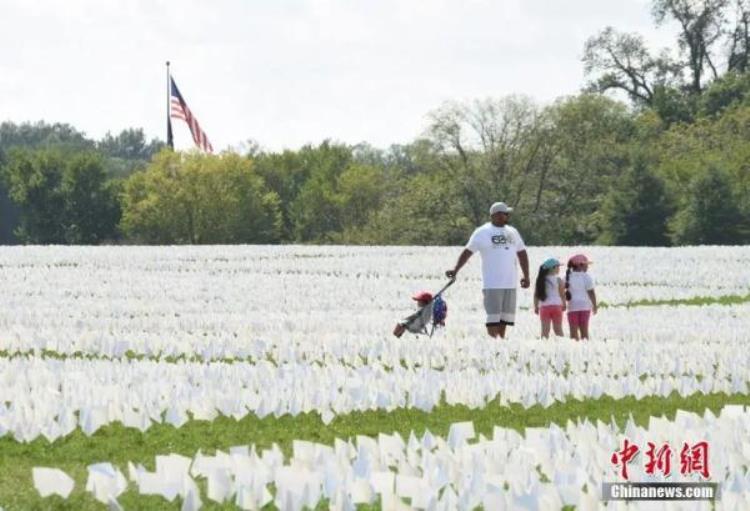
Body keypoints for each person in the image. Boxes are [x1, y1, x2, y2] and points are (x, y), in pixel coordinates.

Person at [446, 201, 530, 339]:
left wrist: (526, 276)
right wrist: (455, 270)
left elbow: (522, 253)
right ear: (496, 215)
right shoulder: (482, 232)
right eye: (505, 213)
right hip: (492, 283)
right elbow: (468, 251)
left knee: (505, 318)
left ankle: (501, 342)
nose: (507, 216)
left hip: (510, 282)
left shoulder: (512, 232)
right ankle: (492, 342)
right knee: (493, 317)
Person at [565, 253, 597, 340]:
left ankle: (575, 349)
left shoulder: (567, 277)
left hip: (572, 307)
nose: (588, 267)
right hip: (585, 307)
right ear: (580, 266)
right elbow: (591, 293)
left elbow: (562, 291)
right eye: (586, 265)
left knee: (573, 332)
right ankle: (585, 347)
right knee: (584, 331)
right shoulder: (586, 277)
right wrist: (594, 305)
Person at [533, 258, 566, 339]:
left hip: (544, 307)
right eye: (558, 267)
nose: (559, 269)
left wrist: (536, 307)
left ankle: (544, 347)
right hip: (556, 307)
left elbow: (536, 295)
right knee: (558, 329)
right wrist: (564, 304)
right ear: (553, 268)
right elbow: (562, 294)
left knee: (545, 330)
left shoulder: (540, 280)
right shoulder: (558, 280)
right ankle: (563, 345)